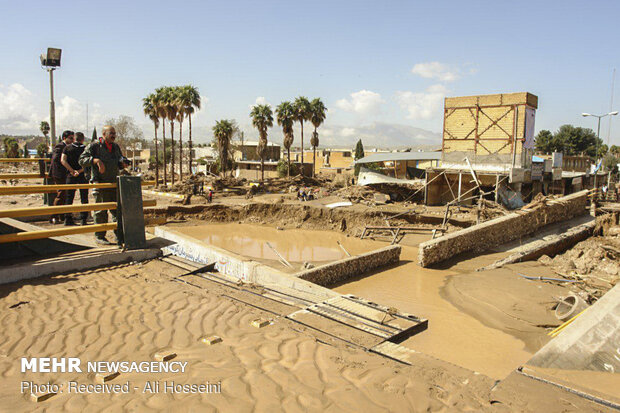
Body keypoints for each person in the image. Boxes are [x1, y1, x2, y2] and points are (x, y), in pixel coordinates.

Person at [79, 126, 128, 245]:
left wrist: (123, 163)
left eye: (114, 133)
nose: (113, 135)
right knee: (101, 211)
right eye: (111, 133)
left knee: (117, 211)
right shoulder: (94, 146)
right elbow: (81, 160)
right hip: (100, 183)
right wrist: (95, 161)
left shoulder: (115, 147)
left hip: (114, 183)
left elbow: (119, 161)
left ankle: (119, 236)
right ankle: (100, 236)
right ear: (104, 133)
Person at [61, 132, 89, 226]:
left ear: (74, 139)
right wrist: (80, 171)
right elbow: (88, 163)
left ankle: (67, 218)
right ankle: (83, 219)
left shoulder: (67, 148)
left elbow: (63, 160)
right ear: (82, 139)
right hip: (83, 175)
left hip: (71, 175)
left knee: (69, 197)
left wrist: (72, 171)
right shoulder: (86, 149)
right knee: (84, 197)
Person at [49, 130, 75, 224]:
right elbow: (56, 160)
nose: (72, 140)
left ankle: (62, 215)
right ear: (64, 138)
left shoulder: (68, 147)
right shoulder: (60, 146)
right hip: (59, 174)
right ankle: (53, 216)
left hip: (65, 174)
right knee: (61, 194)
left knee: (65, 195)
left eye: (73, 138)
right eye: (71, 138)